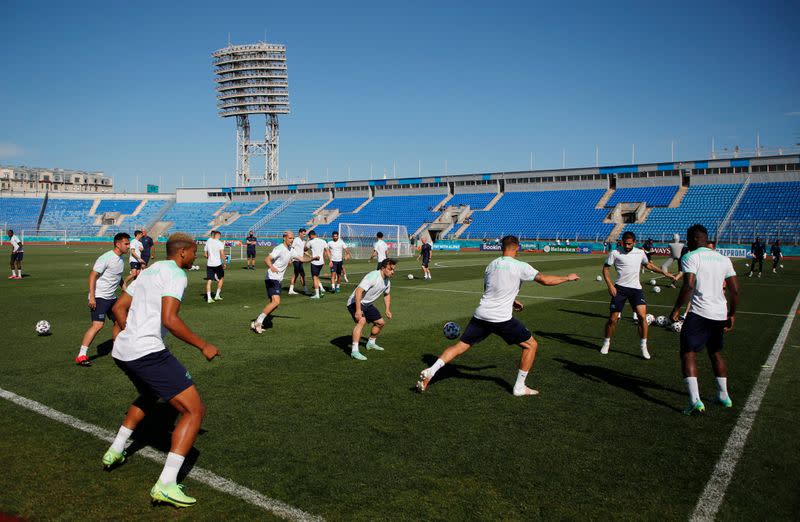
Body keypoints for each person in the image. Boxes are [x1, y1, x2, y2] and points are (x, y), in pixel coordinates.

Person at [102, 232, 220, 507]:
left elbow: (119, 307)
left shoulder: (149, 270)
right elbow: (170, 319)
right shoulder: (177, 275)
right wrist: (203, 345)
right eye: (194, 252)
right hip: (147, 352)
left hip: (123, 351)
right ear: (182, 253)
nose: (196, 255)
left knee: (148, 394)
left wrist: (129, 331)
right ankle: (166, 484)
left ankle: (115, 450)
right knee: (194, 410)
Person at [417, 235, 580, 395]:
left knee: (460, 346)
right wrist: (567, 277)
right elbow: (544, 280)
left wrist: (512, 300)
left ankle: (432, 370)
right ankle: (519, 387)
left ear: (502, 247)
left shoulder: (491, 265)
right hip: (501, 319)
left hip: (481, 314)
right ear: (517, 247)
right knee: (531, 345)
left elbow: (489, 289)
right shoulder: (520, 266)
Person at [670, 224, 739, 416]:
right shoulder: (723, 258)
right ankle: (724, 396)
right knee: (715, 352)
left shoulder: (690, 257)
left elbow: (688, 286)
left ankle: (695, 402)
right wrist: (731, 314)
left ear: (692, 239)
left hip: (699, 313)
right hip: (719, 313)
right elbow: (734, 290)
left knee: (688, 352)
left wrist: (676, 310)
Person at [601, 231, 676, 359]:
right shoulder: (615, 253)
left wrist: (665, 273)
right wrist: (610, 285)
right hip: (620, 289)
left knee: (642, 317)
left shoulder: (640, 253)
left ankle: (643, 347)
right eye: (625, 243)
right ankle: (606, 342)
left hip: (636, 290)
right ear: (621, 242)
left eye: (630, 244)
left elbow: (649, 266)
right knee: (613, 319)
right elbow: (605, 268)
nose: (627, 246)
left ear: (634, 242)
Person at [75, 232, 131, 367]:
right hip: (100, 297)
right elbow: (93, 276)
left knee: (120, 321)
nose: (129, 246)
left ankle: (118, 350)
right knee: (98, 325)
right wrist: (92, 297)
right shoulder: (106, 257)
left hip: (111, 297)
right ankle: (81, 355)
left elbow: (118, 277)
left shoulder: (121, 259)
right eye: (126, 244)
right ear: (118, 244)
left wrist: (125, 288)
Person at [252, 231, 312, 334]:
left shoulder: (291, 250)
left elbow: (301, 258)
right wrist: (272, 267)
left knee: (274, 304)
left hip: (278, 279)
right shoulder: (279, 248)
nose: (292, 240)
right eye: (290, 238)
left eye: (293, 238)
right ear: (284, 238)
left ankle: (258, 321)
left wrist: (312, 258)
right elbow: (267, 259)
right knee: (276, 302)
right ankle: (258, 322)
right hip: (272, 277)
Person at [347, 258, 396, 361]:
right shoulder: (373, 276)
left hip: (367, 304)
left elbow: (386, 294)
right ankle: (354, 351)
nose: (392, 272)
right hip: (355, 302)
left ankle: (371, 343)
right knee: (362, 321)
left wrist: (387, 309)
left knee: (380, 323)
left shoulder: (387, 281)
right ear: (383, 268)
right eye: (390, 269)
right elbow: (358, 291)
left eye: (393, 269)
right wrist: (358, 310)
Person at [204, 230, 226, 303]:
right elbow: (222, 254)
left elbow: (205, 254)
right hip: (217, 264)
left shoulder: (208, 241)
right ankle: (217, 295)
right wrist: (224, 263)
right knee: (221, 278)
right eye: (219, 235)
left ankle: (209, 298)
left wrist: (209, 258)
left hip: (209, 264)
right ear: (217, 235)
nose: (220, 237)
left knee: (209, 280)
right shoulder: (220, 243)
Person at [305, 230, 328, 299]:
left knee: (314, 277)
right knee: (316, 276)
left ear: (311, 235)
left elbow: (304, 249)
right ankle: (321, 288)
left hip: (314, 262)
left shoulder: (310, 242)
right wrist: (330, 260)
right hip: (321, 262)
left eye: (309, 236)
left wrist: (307, 241)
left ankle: (317, 294)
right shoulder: (323, 241)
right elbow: (327, 251)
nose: (309, 237)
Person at [288, 228, 308, 295]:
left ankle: (291, 289)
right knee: (302, 274)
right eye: (303, 234)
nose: (304, 235)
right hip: (296, 259)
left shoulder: (303, 241)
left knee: (296, 274)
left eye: (305, 234)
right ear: (300, 233)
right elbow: (291, 249)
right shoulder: (296, 240)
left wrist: (310, 256)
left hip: (300, 260)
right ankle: (305, 289)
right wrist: (290, 259)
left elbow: (303, 251)